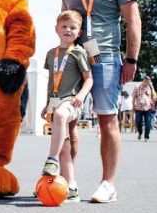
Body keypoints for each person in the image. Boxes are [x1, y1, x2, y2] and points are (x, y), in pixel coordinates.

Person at [61, 0, 141, 204]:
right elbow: (65, 25)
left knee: (107, 120)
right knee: (66, 119)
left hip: (105, 58)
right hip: (75, 60)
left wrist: (131, 59)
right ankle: (66, 182)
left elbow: (133, 21)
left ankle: (108, 184)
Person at [40, 11, 93, 203]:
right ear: (56, 29)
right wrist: (47, 104)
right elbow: (51, 81)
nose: (68, 30)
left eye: (73, 27)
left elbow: (89, 79)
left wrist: (81, 95)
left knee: (62, 115)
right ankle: (71, 188)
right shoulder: (50, 54)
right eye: (64, 26)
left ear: (79, 32)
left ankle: (51, 160)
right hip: (55, 102)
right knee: (64, 147)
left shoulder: (79, 52)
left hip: (71, 101)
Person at [132, 77, 156, 141]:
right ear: (143, 81)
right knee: (138, 121)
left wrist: (153, 106)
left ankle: (146, 137)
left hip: (148, 108)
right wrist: (133, 106)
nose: (147, 83)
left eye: (148, 82)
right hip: (138, 108)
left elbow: (153, 97)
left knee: (148, 122)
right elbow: (134, 97)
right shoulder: (137, 86)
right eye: (146, 81)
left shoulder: (150, 87)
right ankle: (140, 132)